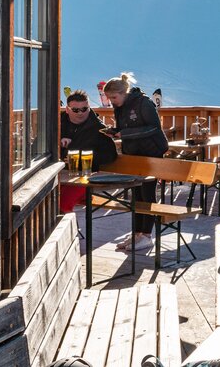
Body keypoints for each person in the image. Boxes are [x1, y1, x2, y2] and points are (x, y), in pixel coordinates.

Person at [104, 73, 169, 252]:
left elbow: (154, 127)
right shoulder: (120, 107)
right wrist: (114, 131)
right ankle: (137, 233)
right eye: (109, 98)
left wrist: (124, 134)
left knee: (147, 194)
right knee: (137, 195)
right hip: (134, 154)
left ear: (123, 93)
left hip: (151, 154)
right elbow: (125, 128)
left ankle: (146, 235)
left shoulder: (144, 103)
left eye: (114, 98)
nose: (111, 102)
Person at [57, 90, 118, 212]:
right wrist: (58, 142)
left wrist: (84, 158)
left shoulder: (98, 128)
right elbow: (39, 145)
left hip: (85, 178)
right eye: (75, 110)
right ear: (67, 109)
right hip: (60, 175)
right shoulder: (57, 124)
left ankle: (68, 223)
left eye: (84, 109)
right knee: (44, 201)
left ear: (89, 108)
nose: (80, 113)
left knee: (61, 204)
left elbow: (111, 155)